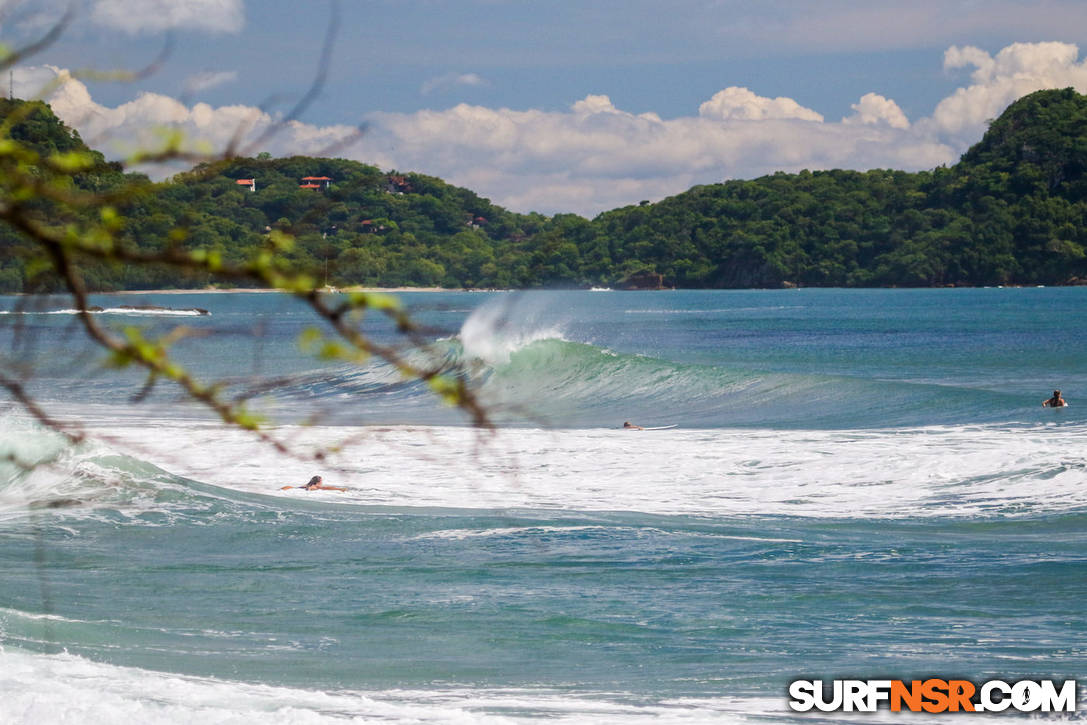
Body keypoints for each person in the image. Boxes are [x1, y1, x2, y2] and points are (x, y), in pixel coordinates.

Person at [280, 475, 347, 491]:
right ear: (318, 482)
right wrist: (339, 489)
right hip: (305, 490)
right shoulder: (317, 486)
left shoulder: (307, 484)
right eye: (321, 481)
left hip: (296, 488)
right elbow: (327, 488)